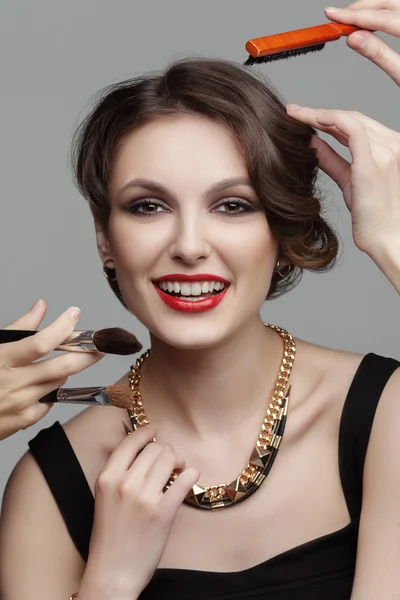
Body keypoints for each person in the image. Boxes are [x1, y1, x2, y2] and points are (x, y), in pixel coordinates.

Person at [1, 1, 400, 598]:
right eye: (148, 206)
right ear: (105, 238)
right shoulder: (53, 480)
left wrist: (393, 241)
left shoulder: (383, 414)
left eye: (232, 205)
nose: (189, 246)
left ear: (283, 231)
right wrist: (109, 579)